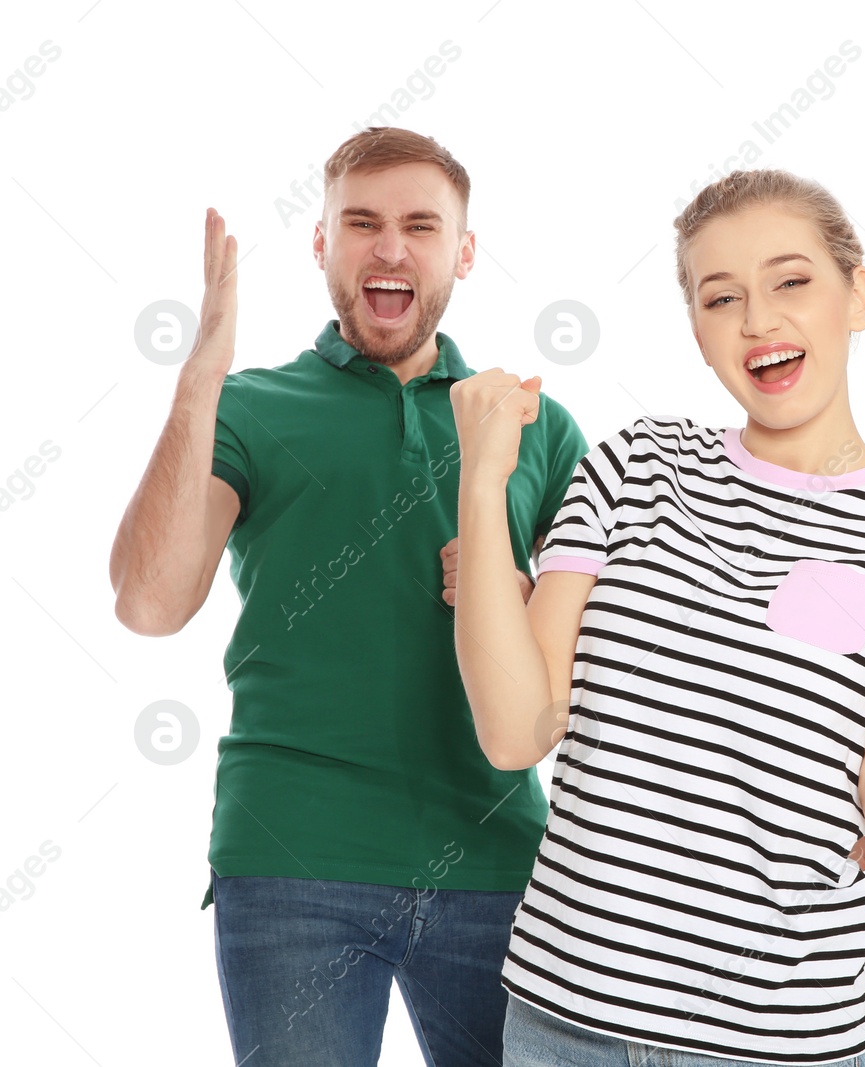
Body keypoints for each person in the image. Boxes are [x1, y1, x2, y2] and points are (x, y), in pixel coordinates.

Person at [441, 169, 865, 1066]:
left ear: (857, 295)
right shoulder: (636, 469)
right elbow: (517, 732)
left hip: (779, 1042)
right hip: (563, 1020)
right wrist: (480, 478)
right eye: (721, 297)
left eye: (791, 282)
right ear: (698, 331)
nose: (757, 321)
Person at [108, 127, 587, 1067]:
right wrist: (199, 383)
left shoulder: (531, 421)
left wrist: (523, 597)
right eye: (361, 223)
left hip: (500, 861)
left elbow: (614, 645)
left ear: (465, 251)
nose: (391, 248)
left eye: (420, 225)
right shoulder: (251, 408)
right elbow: (149, 602)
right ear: (323, 244)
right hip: (293, 859)